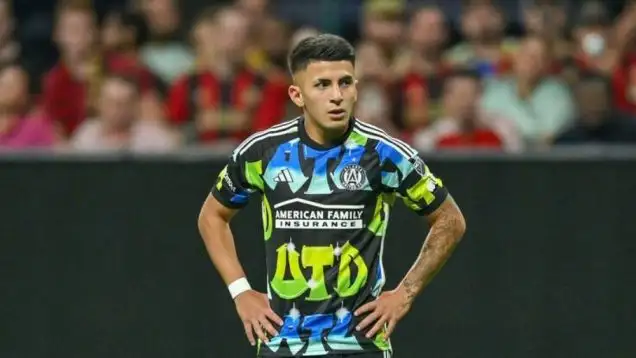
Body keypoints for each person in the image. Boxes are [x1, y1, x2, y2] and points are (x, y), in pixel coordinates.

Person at [197, 34, 466, 357]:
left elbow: (450, 219)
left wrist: (405, 293)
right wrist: (240, 291)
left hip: (359, 343)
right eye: (322, 85)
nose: (336, 96)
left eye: (345, 83)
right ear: (297, 95)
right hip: (284, 341)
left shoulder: (384, 154)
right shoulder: (263, 152)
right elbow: (212, 216)